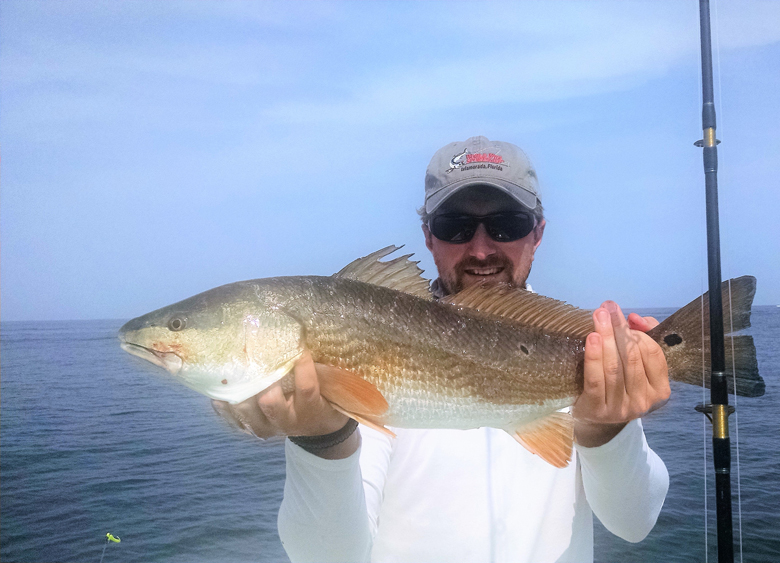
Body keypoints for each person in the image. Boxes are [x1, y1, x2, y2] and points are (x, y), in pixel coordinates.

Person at [213, 136, 671, 563]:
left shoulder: (588, 360)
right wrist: (319, 440)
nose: (481, 248)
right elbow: (330, 555)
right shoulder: (365, 344)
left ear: (537, 234)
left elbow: (633, 523)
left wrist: (604, 427)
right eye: (455, 227)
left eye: (507, 225)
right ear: (429, 236)